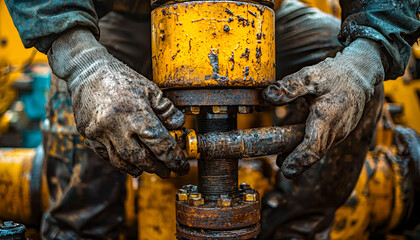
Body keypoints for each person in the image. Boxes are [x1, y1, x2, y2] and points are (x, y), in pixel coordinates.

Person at [5, 0, 420, 239]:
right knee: (80, 97)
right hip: (131, 16)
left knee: (352, 77)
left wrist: (363, 63)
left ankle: (298, 229)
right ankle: (81, 229)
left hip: (263, 16)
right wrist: (83, 63)